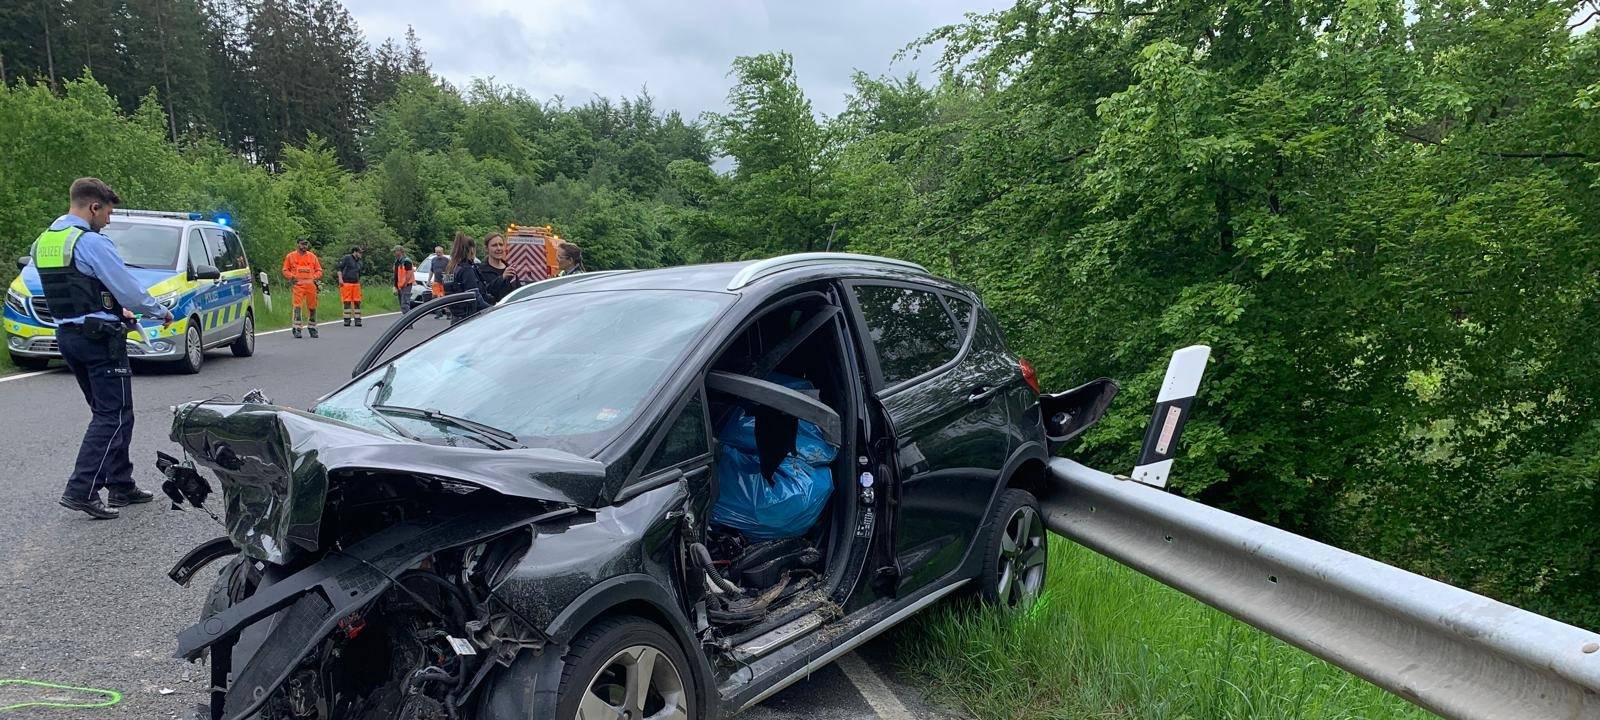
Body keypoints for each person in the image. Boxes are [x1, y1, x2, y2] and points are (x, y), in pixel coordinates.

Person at [34, 178, 174, 519]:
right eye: (107, 213)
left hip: (68, 335)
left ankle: (121, 486)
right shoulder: (91, 242)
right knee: (112, 414)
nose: (108, 221)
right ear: (93, 207)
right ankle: (82, 489)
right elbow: (127, 288)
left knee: (108, 412)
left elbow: (76, 288)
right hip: (99, 340)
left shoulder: (46, 241)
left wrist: (111, 308)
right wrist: (158, 310)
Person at [444, 233, 489, 324]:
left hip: (455, 318)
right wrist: (493, 309)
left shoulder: (450, 268)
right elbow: (474, 297)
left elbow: (447, 292)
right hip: (469, 318)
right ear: (471, 249)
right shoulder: (466, 269)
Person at [282, 238, 323, 338]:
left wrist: (314, 277)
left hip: (310, 286)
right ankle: (297, 328)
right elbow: (285, 270)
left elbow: (319, 271)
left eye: (306, 244)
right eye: (302, 244)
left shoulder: (312, 257)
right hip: (298, 286)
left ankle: (312, 328)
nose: (304, 246)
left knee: (312, 307)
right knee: (297, 307)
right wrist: (291, 277)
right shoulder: (290, 256)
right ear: (298, 244)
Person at [478, 232, 524, 304]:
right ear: (486, 249)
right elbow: (483, 294)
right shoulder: (480, 270)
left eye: (501, 245)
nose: (499, 248)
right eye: (494, 245)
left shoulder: (510, 269)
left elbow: (518, 293)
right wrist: (502, 278)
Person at [336, 245, 364, 327]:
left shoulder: (359, 262)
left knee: (357, 301)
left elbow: (359, 273)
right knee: (347, 302)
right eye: (359, 252)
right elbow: (339, 268)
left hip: (356, 283)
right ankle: (347, 320)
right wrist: (340, 279)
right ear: (355, 252)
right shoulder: (347, 258)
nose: (361, 254)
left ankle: (358, 320)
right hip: (346, 283)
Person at [393, 245, 416, 313]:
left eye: (395, 251)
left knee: (405, 305)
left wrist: (404, 284)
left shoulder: (407, 261)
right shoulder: (397, 262)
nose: (394, 253)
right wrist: (395, 286)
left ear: (400, 252)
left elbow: (409, 274)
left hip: (406, 285)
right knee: (402, 305)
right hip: (400, 286)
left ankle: (409, 322)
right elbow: (396, 275)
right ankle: (406, 321)